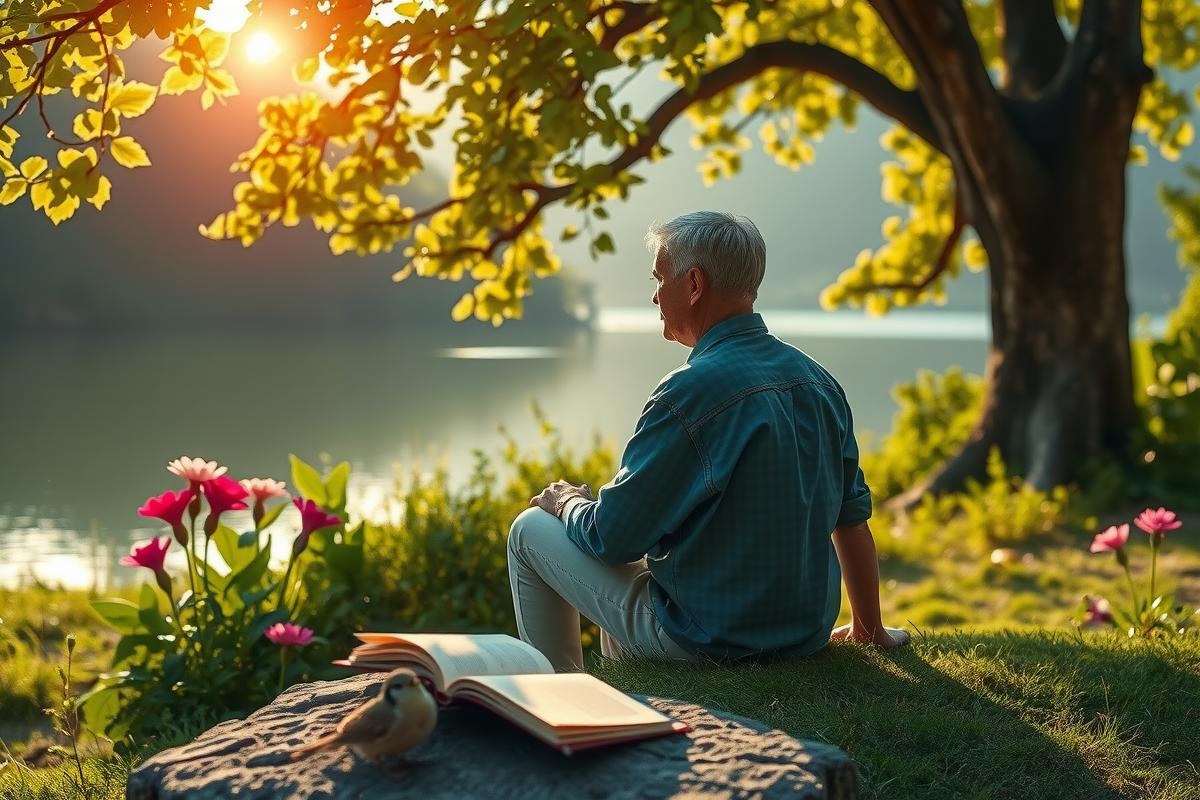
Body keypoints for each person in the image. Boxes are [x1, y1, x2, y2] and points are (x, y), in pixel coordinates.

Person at [507, 211, 908, 672]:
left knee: (528, 531)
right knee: (631, 585)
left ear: (694, 284)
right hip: (802, 637)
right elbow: (852, 520)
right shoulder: (818, 382)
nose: (655, 295)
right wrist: (868, 629)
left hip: (709, 642)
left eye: (660, 278)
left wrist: (566, 503)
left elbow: (610, 539)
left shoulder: (687, 393)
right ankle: (629, 687)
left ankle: (558, 705)